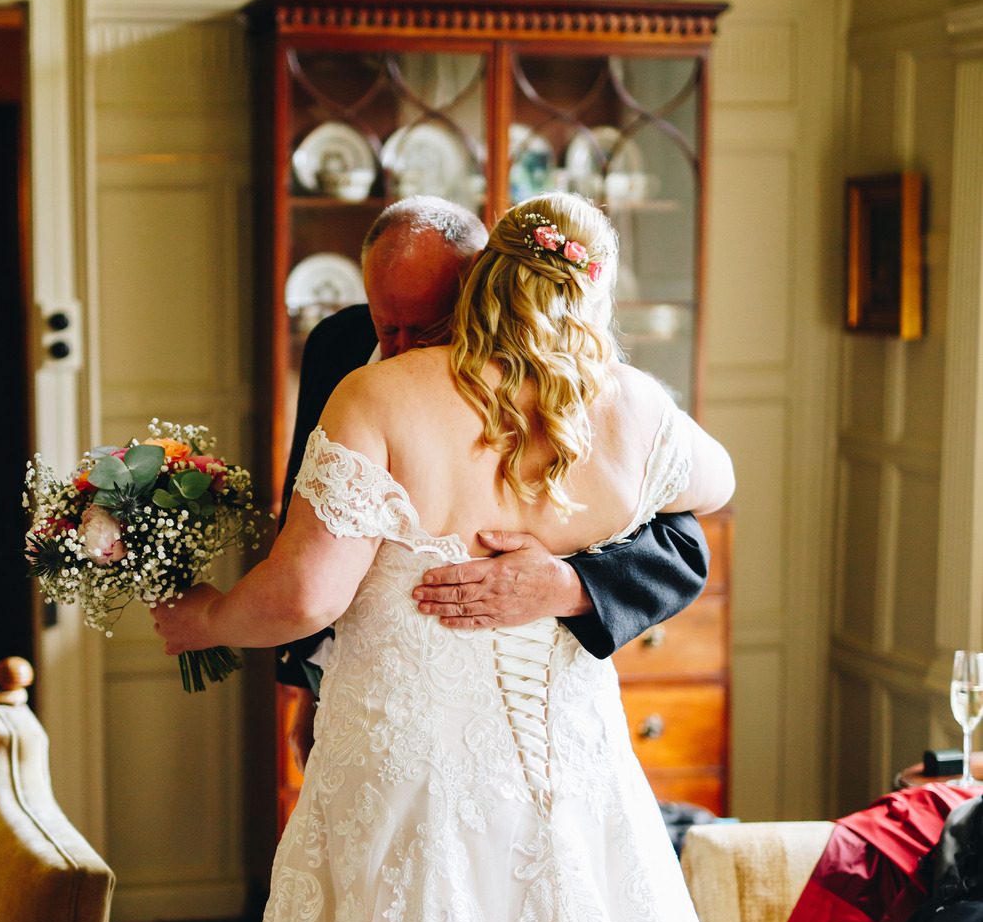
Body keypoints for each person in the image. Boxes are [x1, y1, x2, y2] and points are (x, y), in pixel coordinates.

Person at [107, 194, 857, 922]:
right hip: (551, 775)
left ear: (478, 286)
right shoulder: (617, 400)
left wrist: (198, 618)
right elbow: (711, 479)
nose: (393, 337)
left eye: (419, 316)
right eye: (383, 318)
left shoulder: (382, 399)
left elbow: (304, 592)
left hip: (427, 777)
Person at [278, 195, 710, 772]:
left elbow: (683, 544)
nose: (401, 349)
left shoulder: (567, 385)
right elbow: (310, 515)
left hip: (526, 718)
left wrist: (569, 585)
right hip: (370, 700)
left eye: (429, 328)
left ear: (483, 296)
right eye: (387, 325)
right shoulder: (336, 345)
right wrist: (307, 684)